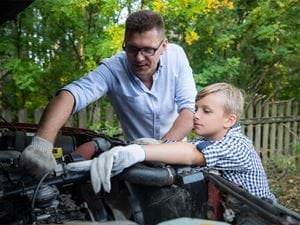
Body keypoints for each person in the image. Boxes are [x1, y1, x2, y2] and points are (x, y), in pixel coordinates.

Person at [20, 10, 197, 177]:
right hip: (133, 160)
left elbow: (188, 111)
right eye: (132, 48)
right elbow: (71, 95)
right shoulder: (113, 69)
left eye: (148, 50)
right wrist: (42, 144)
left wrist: (159, 149)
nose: (139, 58)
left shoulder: (176, 56)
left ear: (163, 46)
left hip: (178, 153)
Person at [90, 82, 276, 202]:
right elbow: (186, 147)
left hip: (260, 216)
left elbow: (191, 154)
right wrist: (152, 145)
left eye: (206, 111)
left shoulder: (238, 145)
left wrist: (139, 151)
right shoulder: (208, 139)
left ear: (229, 120)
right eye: (196, 109)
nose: (196, 115)